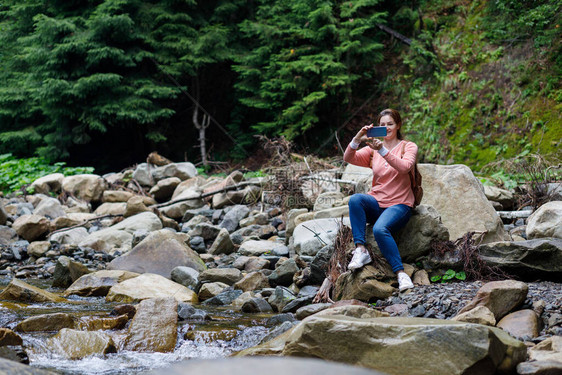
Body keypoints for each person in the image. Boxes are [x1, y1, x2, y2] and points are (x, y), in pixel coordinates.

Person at [343, 108, 417, 292]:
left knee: (379, 229)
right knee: (355, 200)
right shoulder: (371, 150)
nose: (386, 128)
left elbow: (404, 167)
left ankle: (401, 274)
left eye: (390, 124)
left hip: (400, 204)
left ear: (398, 125)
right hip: (377, 203)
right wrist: (357, 138)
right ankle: (361, 250)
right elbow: (348, 157)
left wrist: (382, 150)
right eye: (382, 125)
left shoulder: (408, 146)